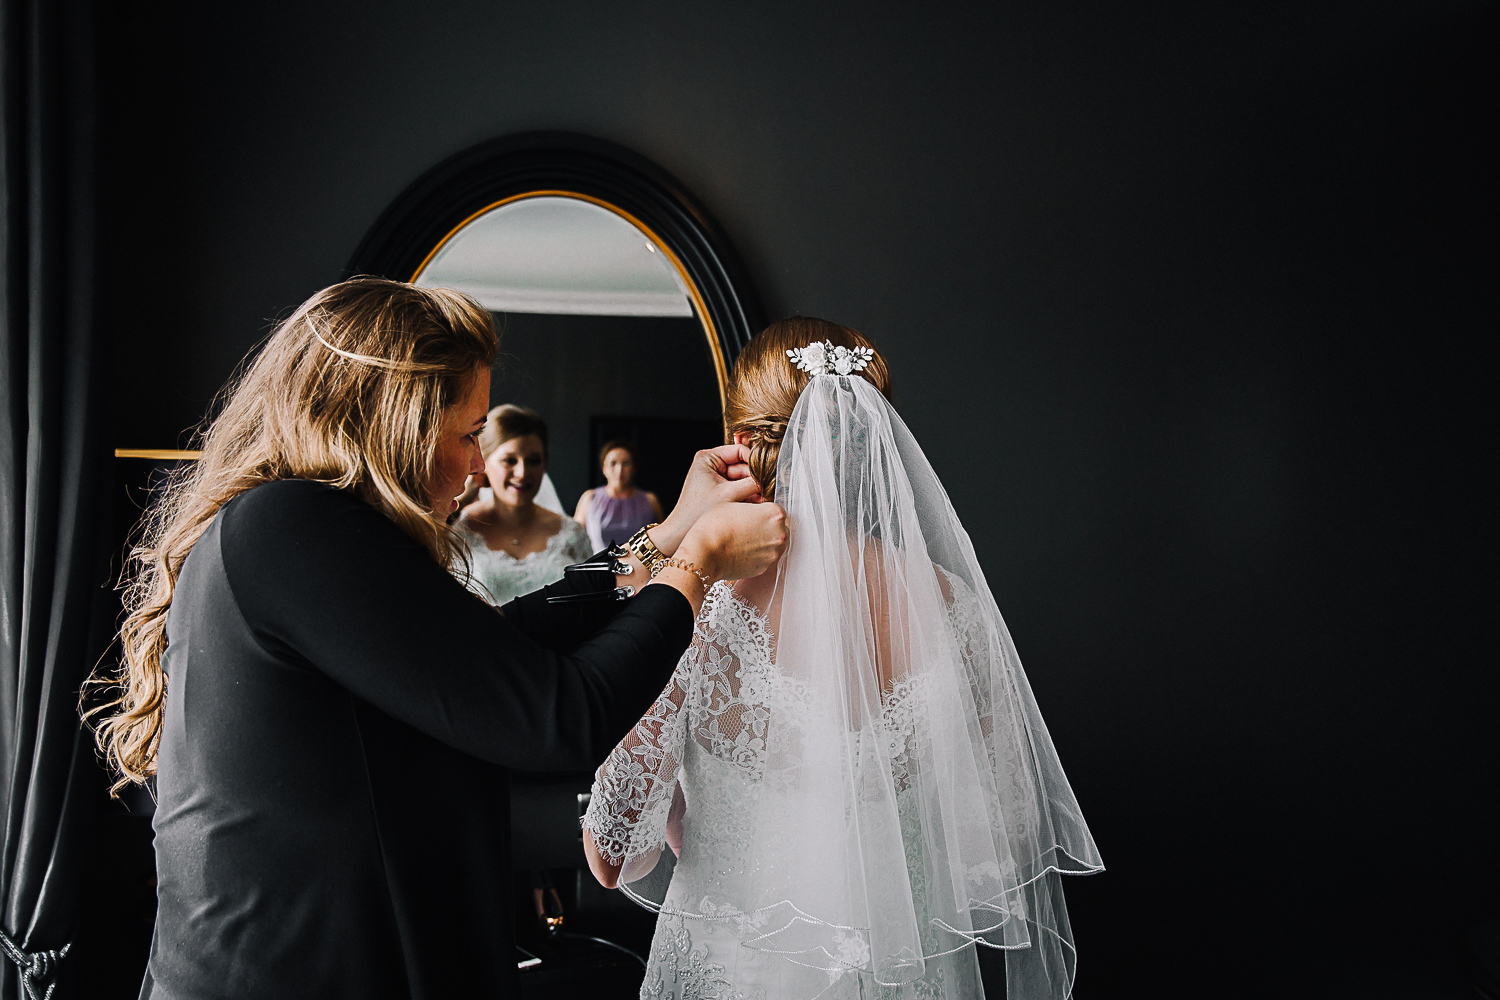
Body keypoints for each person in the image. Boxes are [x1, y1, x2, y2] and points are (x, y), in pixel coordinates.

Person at [83, 278, 787, 999]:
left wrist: (662, 538)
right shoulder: (292, 529)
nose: (478, 464)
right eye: (466, 434)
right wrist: (697, 566)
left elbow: (492, 652)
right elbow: (559, 715)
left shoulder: (293, 526)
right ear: (393, 425)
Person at [581, 318, 1103, 1000]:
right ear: (877, 439)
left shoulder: (690, 609)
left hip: (738, 975)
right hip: (912, 979)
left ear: (741, 444)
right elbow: (997, 843)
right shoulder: (956, 610)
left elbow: (615, 855)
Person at [455, 404, 592, 606]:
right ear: (484, 462)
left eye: (534, 461)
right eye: (509, 460)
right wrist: (461, 500)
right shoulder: (460, 531)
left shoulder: (572, 535)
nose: (522, 473)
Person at [576, 440, 663, 551]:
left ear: (634, 468)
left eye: (625, 464)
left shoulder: (650, 500)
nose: (619, 470)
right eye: (613, 463)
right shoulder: (590, 498)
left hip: (639, 566)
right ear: (604, 468)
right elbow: (575, 538)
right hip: (598, 566)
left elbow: (662, 540)